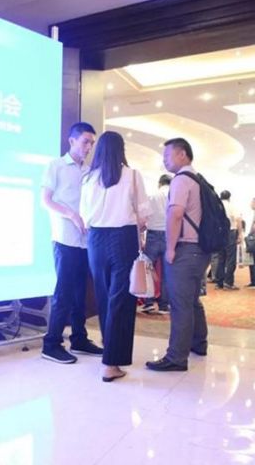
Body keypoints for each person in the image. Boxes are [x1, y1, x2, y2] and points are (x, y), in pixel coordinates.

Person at [80, 131, 151, 382]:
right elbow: (144, 214)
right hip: (122, 238)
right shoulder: (132, 175)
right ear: (122, 150)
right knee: (121, 299)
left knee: (103, 296)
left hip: (96, 240)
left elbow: (84, 216)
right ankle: (111, 363)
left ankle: (108, 348)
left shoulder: (89, 177)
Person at [146, 138, 211, 371]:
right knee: (192, 300)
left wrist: (171, 248)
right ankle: (199, 343)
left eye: (167, 155)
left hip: (185, 248)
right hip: (200, 250)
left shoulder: (181, 180)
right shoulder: (198, 179)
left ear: (182, 154)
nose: (164, 160)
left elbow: (175, 215)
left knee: (180, 304)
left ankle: (176, 357)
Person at [41, 122, 103, 364]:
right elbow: (46, 200)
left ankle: (79, 339)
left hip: (86, 241)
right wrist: (72, 215)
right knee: (64, 292)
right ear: (72, 141)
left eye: (92, 143)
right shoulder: (55, 166)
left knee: (81, 294)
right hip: (64, 238)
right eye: (85, 141)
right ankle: (51, 344)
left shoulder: (89, 171)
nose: (89, 147)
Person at [141, 174, 171, 314]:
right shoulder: (174, 195)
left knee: (148, 269)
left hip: (152, 234)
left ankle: (149, 303)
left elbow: (145, 215)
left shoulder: (153, 195)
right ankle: (164, 305)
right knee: (166, 272)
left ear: (160, 183)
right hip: (169, 235)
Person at [215, 190, 243, 290]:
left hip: (219, 233)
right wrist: (240, 234)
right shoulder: (232, 206)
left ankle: (219, 283)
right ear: (229, 197)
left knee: (221, 258)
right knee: (231, 258)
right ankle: (228, 283)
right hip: (230, 232)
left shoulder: (217, 206)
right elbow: (238, 220)